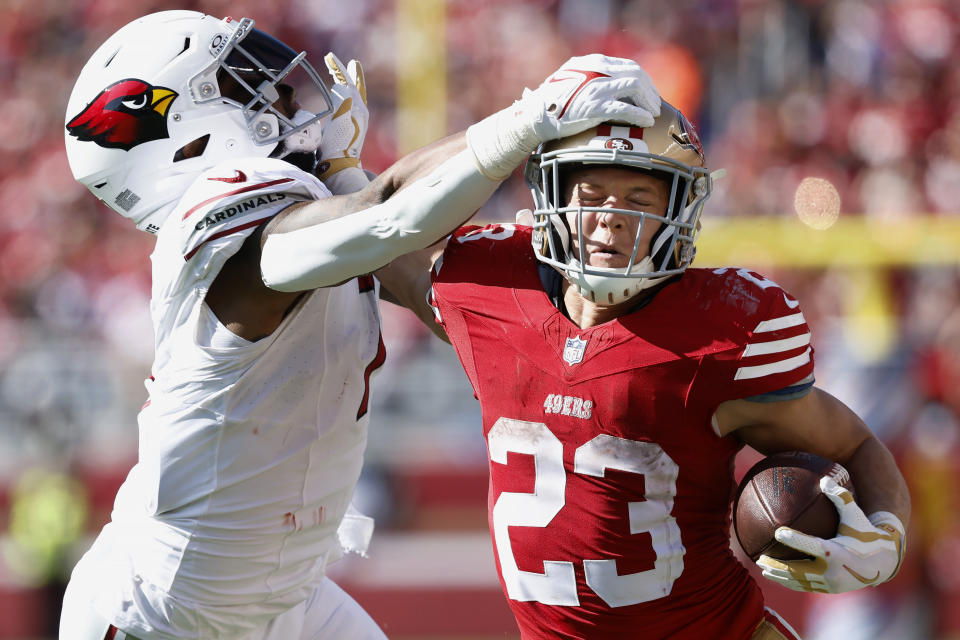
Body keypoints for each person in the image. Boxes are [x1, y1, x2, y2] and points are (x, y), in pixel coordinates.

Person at [59, 9, 661, 640]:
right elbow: (387, 218)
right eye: (242, 84)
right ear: (181, 128)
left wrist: (340, 173)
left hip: (279, 593)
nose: (282, 95)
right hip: (164, 612)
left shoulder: (299, 221)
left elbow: (433, 292)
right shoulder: (212, 223)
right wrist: (530, 117)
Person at [367, 104, 911, 636]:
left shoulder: (719, 335)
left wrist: (885, 536)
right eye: (592, 193)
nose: (611, 216)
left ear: (677, 211)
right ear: (550, 196)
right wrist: (513, 123)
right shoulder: (491, 293)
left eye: (639, 197)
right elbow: (375, 223)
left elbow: (855, 446)